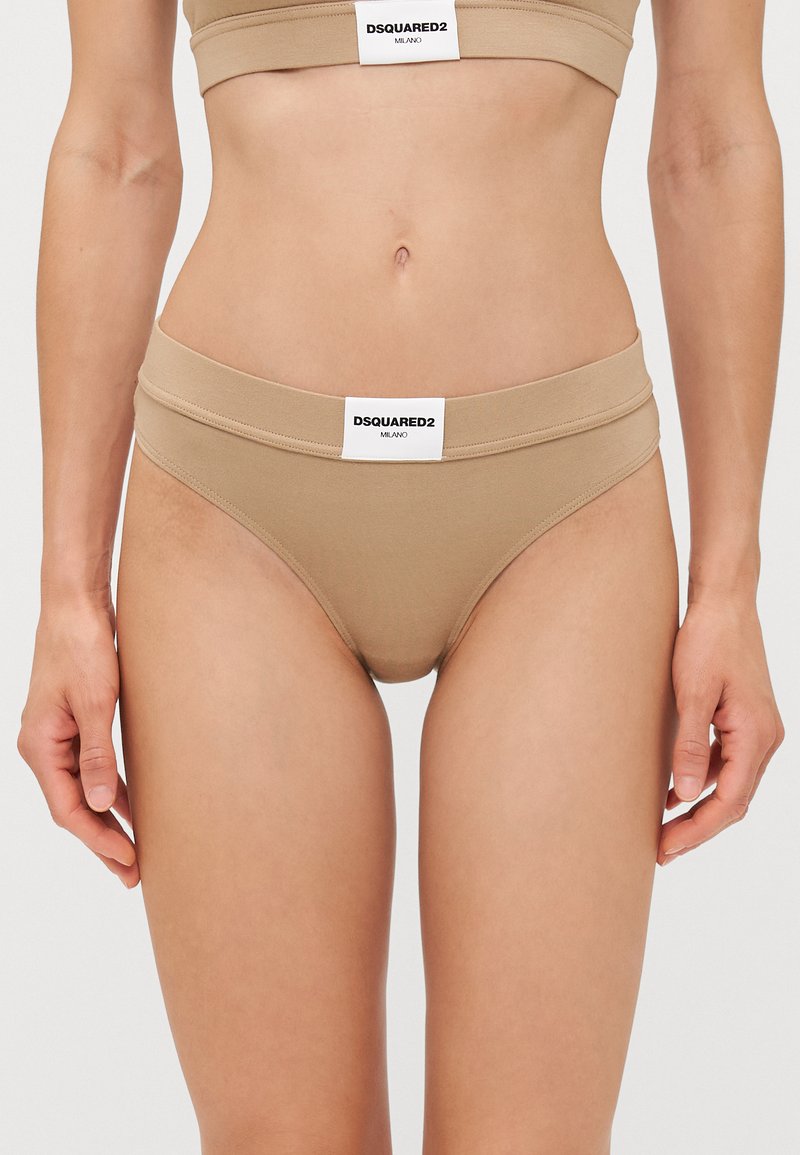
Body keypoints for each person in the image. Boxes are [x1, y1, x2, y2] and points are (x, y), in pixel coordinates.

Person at [17, 0, 785, 1150]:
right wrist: (67, 593)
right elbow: (115, 143)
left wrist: (729, 582)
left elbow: (711, 140)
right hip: (235, 508)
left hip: (561, 510)